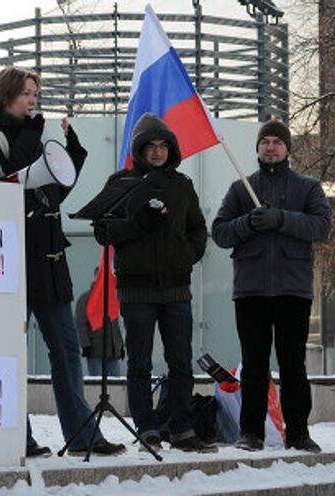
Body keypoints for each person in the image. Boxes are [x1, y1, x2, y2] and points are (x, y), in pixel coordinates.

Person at [0, 66, 124, 457]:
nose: (32, 100)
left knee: (65, 349)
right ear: (7, 93)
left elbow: (51, 194)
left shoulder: (34, 135)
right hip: (13, 259)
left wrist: (73, 155)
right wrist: (33, 142)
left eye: (35, 93)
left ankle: (82, 436)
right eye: (27, 92)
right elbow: (5, 189)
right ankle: (18, 436)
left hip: (48, 260)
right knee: (10, 350)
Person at [92, 113, 214, 453]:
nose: (158, 152)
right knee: (140, 363)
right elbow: (103, 231)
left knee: (181, 361)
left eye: (163, 146)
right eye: (151, 146)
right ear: (139, 150)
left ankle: (183, 429)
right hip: (136, 288)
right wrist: (141, 223)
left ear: (171, 149)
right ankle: (146, 428)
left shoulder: (182, 184)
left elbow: (197, 227)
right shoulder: (121, 182)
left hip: (177, 287)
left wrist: (189, 254)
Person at [212, 119, 332, 453]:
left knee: (293, 364)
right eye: (265, 141)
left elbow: (322, 226)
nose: (270, 146)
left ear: (288, 148)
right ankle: (251, 433)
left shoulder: (308, 188)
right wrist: (248, 222)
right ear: (257, 148)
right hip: (251, 291)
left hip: (293, 290)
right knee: (254, 364)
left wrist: (281, 219)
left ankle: (298, 433)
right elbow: (220, 232)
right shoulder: (240, 189)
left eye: (277, 141)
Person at [74, 267, 125, 377]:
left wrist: (119, 345)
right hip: (95, 349)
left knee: (116, 382)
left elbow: (116, 325)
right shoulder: (86, 298)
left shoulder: (112, 299)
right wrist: (85, 345)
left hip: (112, 350)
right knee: (96, 383)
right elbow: (81, 324)